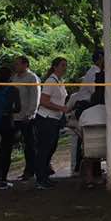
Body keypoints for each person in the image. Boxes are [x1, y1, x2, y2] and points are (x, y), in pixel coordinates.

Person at [35, 57, 69, 189]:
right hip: (46, 118)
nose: (64, 68)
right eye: (62, 65)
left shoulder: (60, 81)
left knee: (51, 148)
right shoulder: (51, 81)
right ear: (55, 67)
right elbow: (43, 101)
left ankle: (45, 176)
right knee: (44, 149)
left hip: (55, 119)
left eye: (65, 65)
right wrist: (61, 108)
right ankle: (40, 178)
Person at [11, 56, 41, 180]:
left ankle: (30, 171)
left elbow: (36, 97)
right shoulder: (14, 78)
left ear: (25, 65)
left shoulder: (32, 78)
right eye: (15, 64)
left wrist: (30, 114)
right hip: (14, 116)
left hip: (27, 117)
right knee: (8, 143)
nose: (16, 66)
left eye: (18, 64)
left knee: (29, 145)